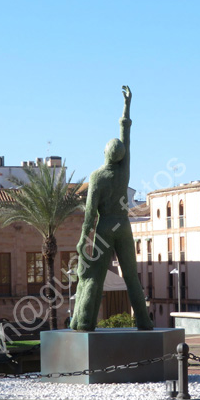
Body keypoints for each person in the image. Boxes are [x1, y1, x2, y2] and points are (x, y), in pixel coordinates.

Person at [71, 86, 154, 331]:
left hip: (106, 226)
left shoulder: (97, 177)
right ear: (121, 156)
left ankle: (85, 321)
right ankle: (143, 321)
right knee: (130, 275)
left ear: (104, 153)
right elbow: (126, 134)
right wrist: (127, 106)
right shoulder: (123, 171)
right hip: (123, 225)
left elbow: (89, 213)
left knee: (94, 275)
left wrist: (83, 237)